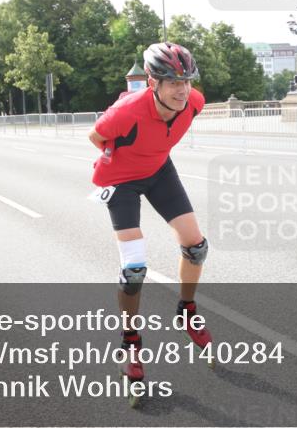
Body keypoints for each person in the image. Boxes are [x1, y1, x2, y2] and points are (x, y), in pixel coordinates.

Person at [88, 42, 210, 386]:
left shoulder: (194, 103)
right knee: (134, 268)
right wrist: (125, 158)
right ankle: (130, 341)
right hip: (120, 179)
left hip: (159, 171)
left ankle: (186, 311)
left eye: (187, 80)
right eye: (173, 82)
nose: (182, 89)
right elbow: (96, 137)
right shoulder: (126, 112)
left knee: (196, 246)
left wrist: (150, 155)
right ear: (153, 83)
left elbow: (175, 122)